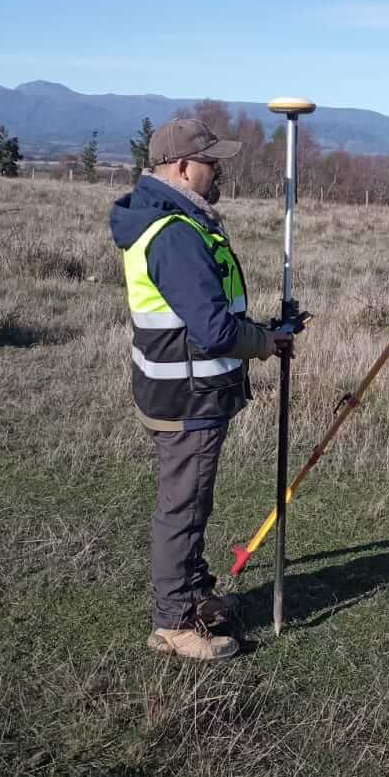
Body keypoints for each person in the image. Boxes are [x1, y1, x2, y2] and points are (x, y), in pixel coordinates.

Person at [110, 117, 288, 661]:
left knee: (191, 500)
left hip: (178, 388)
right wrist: (263, 343)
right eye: (212, 164)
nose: (220, 174)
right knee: (183, 506)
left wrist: (261, 332)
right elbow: (213, 332)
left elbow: (202, 315)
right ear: (183, 168)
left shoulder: (170, 221)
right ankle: (173, 623)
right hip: (187, 396)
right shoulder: (174, 234)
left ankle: (193, 593)